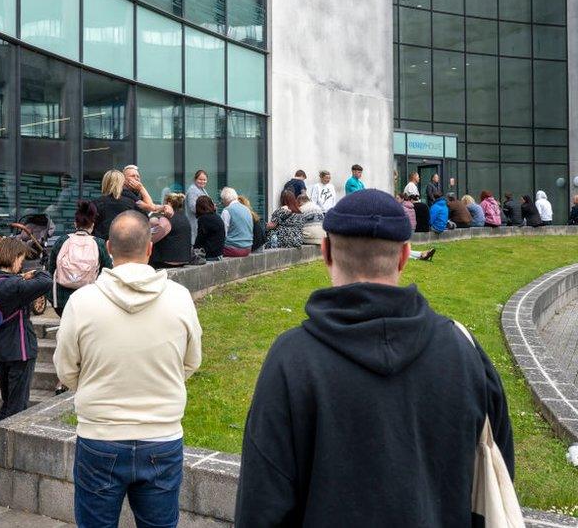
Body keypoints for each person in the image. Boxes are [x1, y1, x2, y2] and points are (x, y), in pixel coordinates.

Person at [234, 189, 513, 527]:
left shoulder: (290, 361)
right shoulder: (464, 352)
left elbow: (261, 507)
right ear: (405, 256)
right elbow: (499, 477)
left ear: (325, 253)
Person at [54, 210, 202, 528]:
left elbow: (66, 370)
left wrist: (96, 385)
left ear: (108, 248)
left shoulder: (81, 302)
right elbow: (191, 361)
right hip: (161, 437)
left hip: (100, 438)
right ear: (150, 248)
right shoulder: (180, 299)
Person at [0, 237, 53, 421]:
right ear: (13, 257)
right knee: (16, 407)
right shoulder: (12, 285)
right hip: (19, 350)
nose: (21, 264)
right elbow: (46, 281)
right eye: (21, 259)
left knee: (8, 402)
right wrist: (34, 272)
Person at [48, 200, 112, 317]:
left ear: (75, 224)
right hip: (89, 300)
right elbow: (108, 270)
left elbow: (51, 268)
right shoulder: (99, 243)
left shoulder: (62, 241)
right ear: (92, 225)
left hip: (62, 301)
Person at [150, 193, 192, 268]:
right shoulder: (184, 217)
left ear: (168, 203)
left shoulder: (167, 219)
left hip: (167, 261)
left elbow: (151, 239)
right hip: (183, 259)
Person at [92, 170, 136, 241]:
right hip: (125, 243)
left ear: (105, 183)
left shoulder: (96, 203)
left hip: (102, 244)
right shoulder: (131, 203)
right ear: (122, 183)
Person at [221, 187, 256, 257]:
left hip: (232, 249)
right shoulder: (246, 209)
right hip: (248, 248)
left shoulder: (227, 210)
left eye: (222, 200)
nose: (222, 202)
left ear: (225, 199)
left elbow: (222, 233)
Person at [194, 195, 225, 260]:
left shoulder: (203, 219)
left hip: (211, 255)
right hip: (219, 253)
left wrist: (193, 250)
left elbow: (200, 239)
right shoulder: (216, 216)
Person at [185, 170, 210, 242]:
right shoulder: (193, 190)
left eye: (204, 180)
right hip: (195, 222)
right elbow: (193, 207)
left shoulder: (202, 189)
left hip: (201, 222)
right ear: (195, 179)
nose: (202, 181)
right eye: (200, 179)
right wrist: (209, 209)